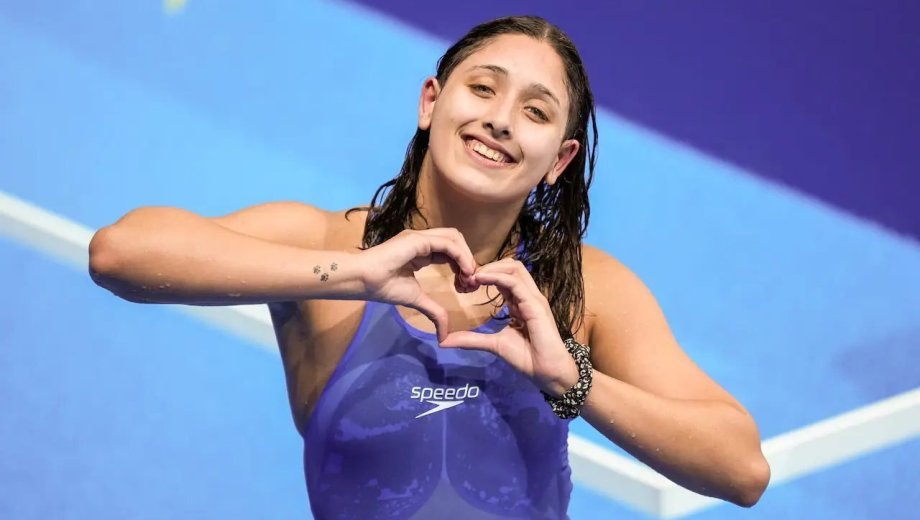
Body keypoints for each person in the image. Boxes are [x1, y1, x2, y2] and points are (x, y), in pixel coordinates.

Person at [88, 15, 769, 519]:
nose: (501, 121)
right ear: (430, 102)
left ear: (558, 161)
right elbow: (121, 252)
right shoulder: (327, 243)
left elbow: (741, 468)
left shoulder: (583, 291)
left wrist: (572, 379)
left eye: (534, 112)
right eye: (483, 89)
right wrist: (356, 274)